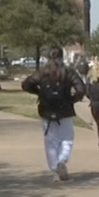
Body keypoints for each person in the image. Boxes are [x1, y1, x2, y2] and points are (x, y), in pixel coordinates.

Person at [21, 46, 86, 181]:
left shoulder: (42, 73)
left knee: (51, 141)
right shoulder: (68, 73)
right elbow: (81, 89)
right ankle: (62, 160)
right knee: (67, 138)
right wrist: (71, 100)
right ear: (62, 57)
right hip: (65, 110)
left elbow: (26, 85)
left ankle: (55, 168)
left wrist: (39, 92)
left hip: (47, 110)